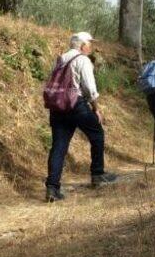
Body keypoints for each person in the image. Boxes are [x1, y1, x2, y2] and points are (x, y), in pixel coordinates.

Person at [45, 31, 118, 202]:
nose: (91, 47)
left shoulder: (61, 59)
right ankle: (97, 174)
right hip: (75, 104)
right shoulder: (82, 60)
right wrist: (96, 109)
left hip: (58, 107)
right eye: (90, 44)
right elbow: (89, 89)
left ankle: (52, 188)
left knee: (59, 146)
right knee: (97, 134)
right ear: (83, 45)